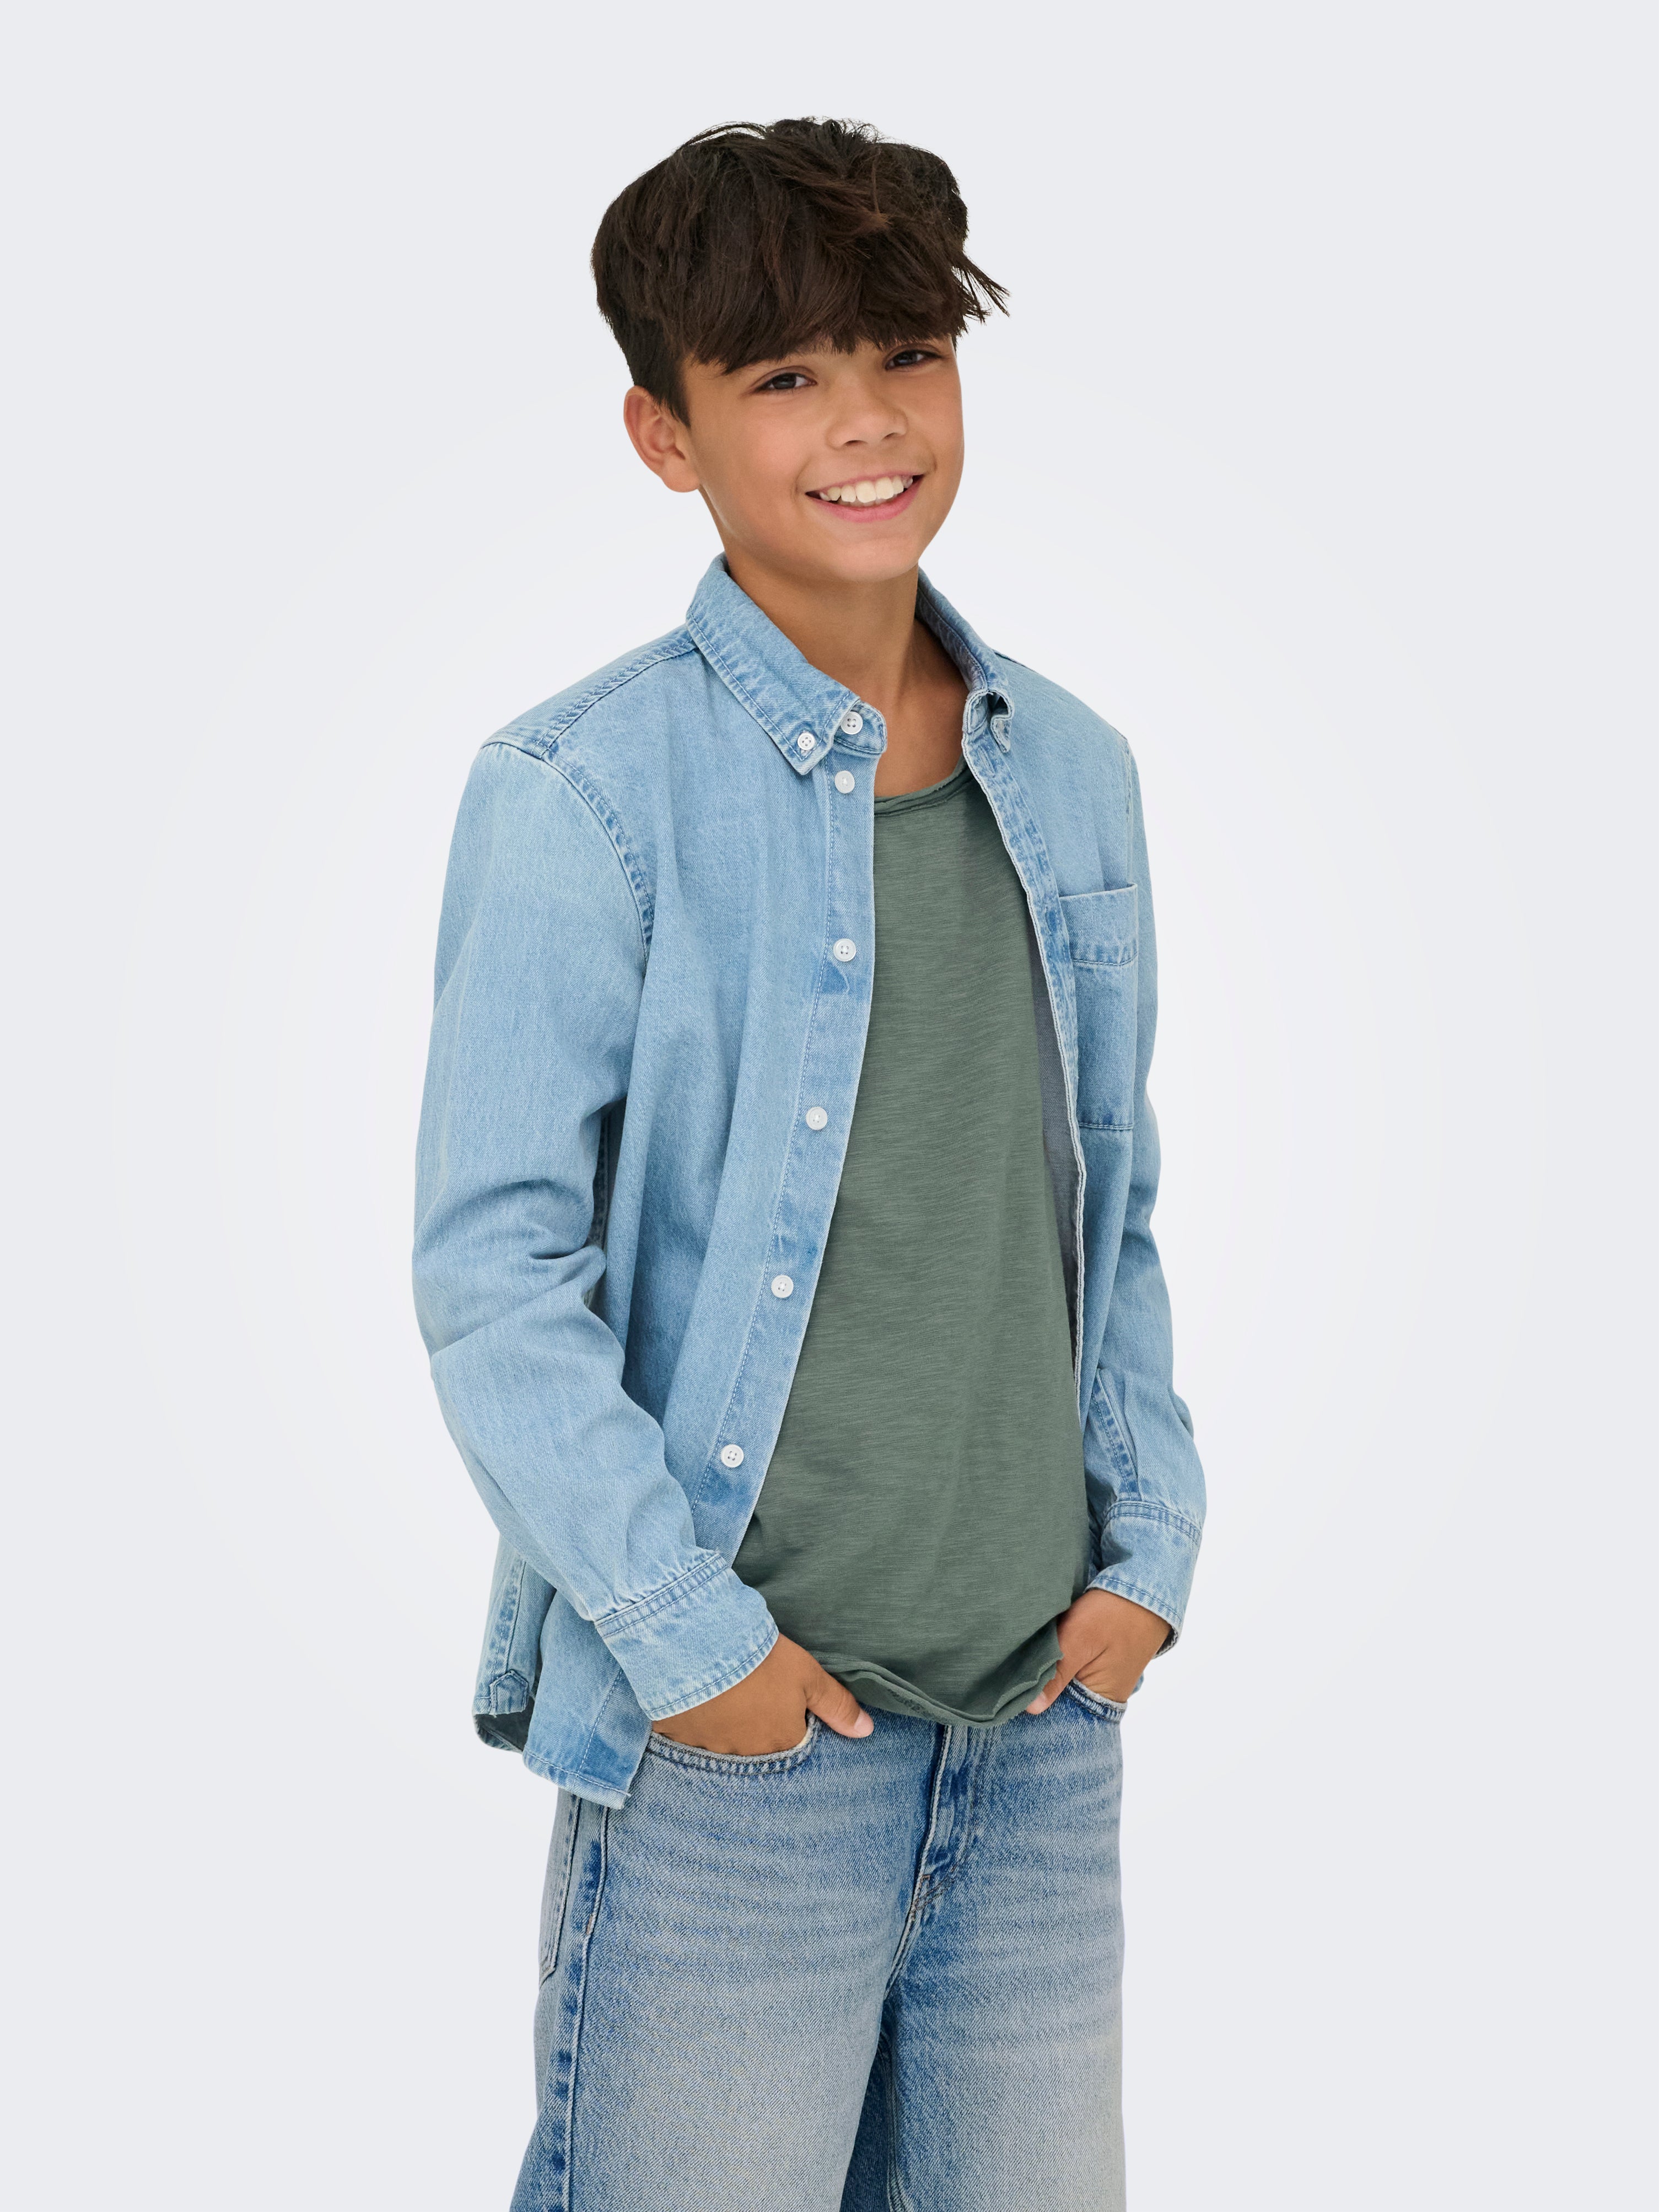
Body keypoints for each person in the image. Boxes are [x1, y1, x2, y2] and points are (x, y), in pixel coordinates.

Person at [413, 116, 1206, 2212]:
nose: (865, 423)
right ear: (662, 435)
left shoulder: (1074, 771)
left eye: (904, 353)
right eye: (782, 376)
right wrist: (699, 1656)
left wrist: (1146, 1560)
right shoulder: (582, 793)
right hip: (739, 1757)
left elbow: (1105, 1205)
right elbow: (494, 1279)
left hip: (1036, 1736)